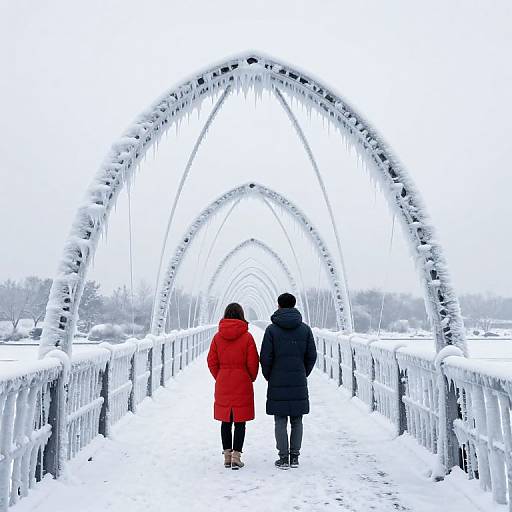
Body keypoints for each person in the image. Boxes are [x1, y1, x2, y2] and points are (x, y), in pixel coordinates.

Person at [260, 292, 317, 469]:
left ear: (278, 305)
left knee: (280, 420)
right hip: (298, 378)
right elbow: (312, 355)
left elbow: (265, 357)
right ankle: (295, 457)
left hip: (277, 379)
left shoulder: (271, 330)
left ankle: (283, 458)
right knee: (297, 420)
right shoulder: (305, 329)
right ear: (294, 305)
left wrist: (270, 375)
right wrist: (302, 372)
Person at [207, 303, 259, 470]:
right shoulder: (247, 337)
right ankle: (237, 456)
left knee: (225, 421)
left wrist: (220, 376)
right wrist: (250, 377)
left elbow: (211, 361)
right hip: (242, 381)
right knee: (240, 421)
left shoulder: (217, 337)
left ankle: (227, 457)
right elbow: (253, 362)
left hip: (223, 382)